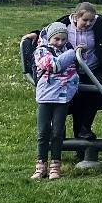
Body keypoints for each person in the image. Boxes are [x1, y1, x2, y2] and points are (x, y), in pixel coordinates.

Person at [23, 2, 102, 139]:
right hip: (70, 69)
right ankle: (58, 128)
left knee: (97, 90)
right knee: (69, 97)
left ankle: (85, 128)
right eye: (85, 20)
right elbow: (50, 31)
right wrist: (35, 34)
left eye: (91, 20)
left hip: (92, 68)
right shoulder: (65, 24)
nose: (88, 23)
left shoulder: (97, 25)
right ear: (75, 16)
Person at [31, 22, 80, 180]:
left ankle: (55, 167)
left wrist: (77, 53)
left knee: (57, 133)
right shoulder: (41, 51)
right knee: (43, 132)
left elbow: (75, 68)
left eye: (63, 39)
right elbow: (54, 65)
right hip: (45, 96)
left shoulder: (67, 50)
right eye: (56, 39)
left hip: (62, 97)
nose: (60, 42)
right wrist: (73, 52)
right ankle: (40, 166)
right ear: (50, 37)